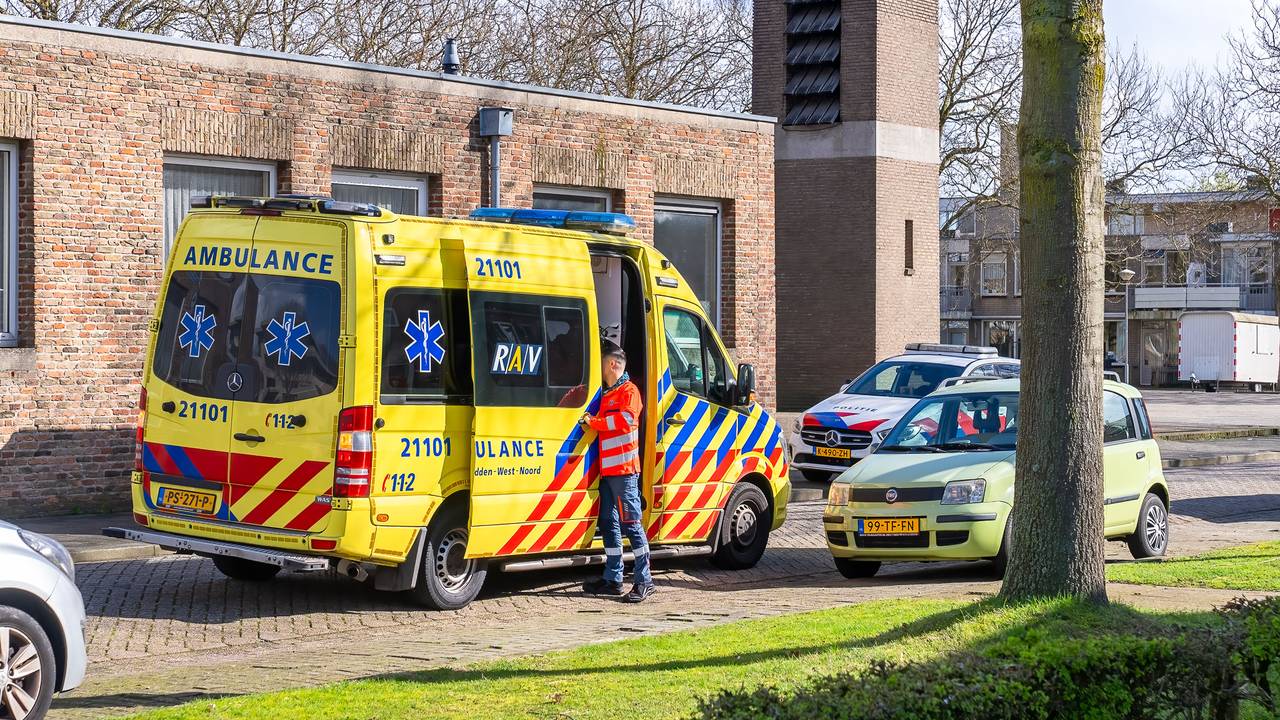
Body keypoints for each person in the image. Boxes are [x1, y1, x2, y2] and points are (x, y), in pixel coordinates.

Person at [580, 341, 655, 603]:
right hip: (609, 472)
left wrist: (595, 422)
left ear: (612, 364)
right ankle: (613, 579)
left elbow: (624, 421)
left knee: (632, 526)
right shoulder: (609, 393)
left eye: (601, 363)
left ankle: (645, 580)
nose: (599, 369)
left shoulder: (629, 391)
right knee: (609, 526)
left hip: (624, 472)